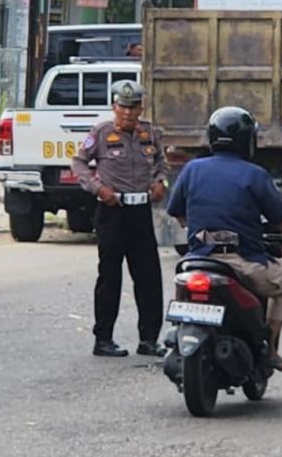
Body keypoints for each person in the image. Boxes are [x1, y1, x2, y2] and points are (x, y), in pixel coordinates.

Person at [166, 106, 282, 374]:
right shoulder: (255, 174)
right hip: (243, 263)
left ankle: (177, 335)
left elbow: (178, 213)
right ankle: (271, 349)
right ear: (248, 140)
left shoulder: (192, 169)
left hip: (197, 260)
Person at [71, 80, 168, 358]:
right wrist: (98, 189)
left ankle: (149, 340)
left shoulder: (150, 133)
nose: (127, 112)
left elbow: (161, 162)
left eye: (133, 106)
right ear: (114, 106)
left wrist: (161, 181)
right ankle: (103, 339)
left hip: (141, 212)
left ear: (141, 107)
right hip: (112, 211)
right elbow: (78, 163)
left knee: (148, 276)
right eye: (122, 106)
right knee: (110, 276)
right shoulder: (100, 133)